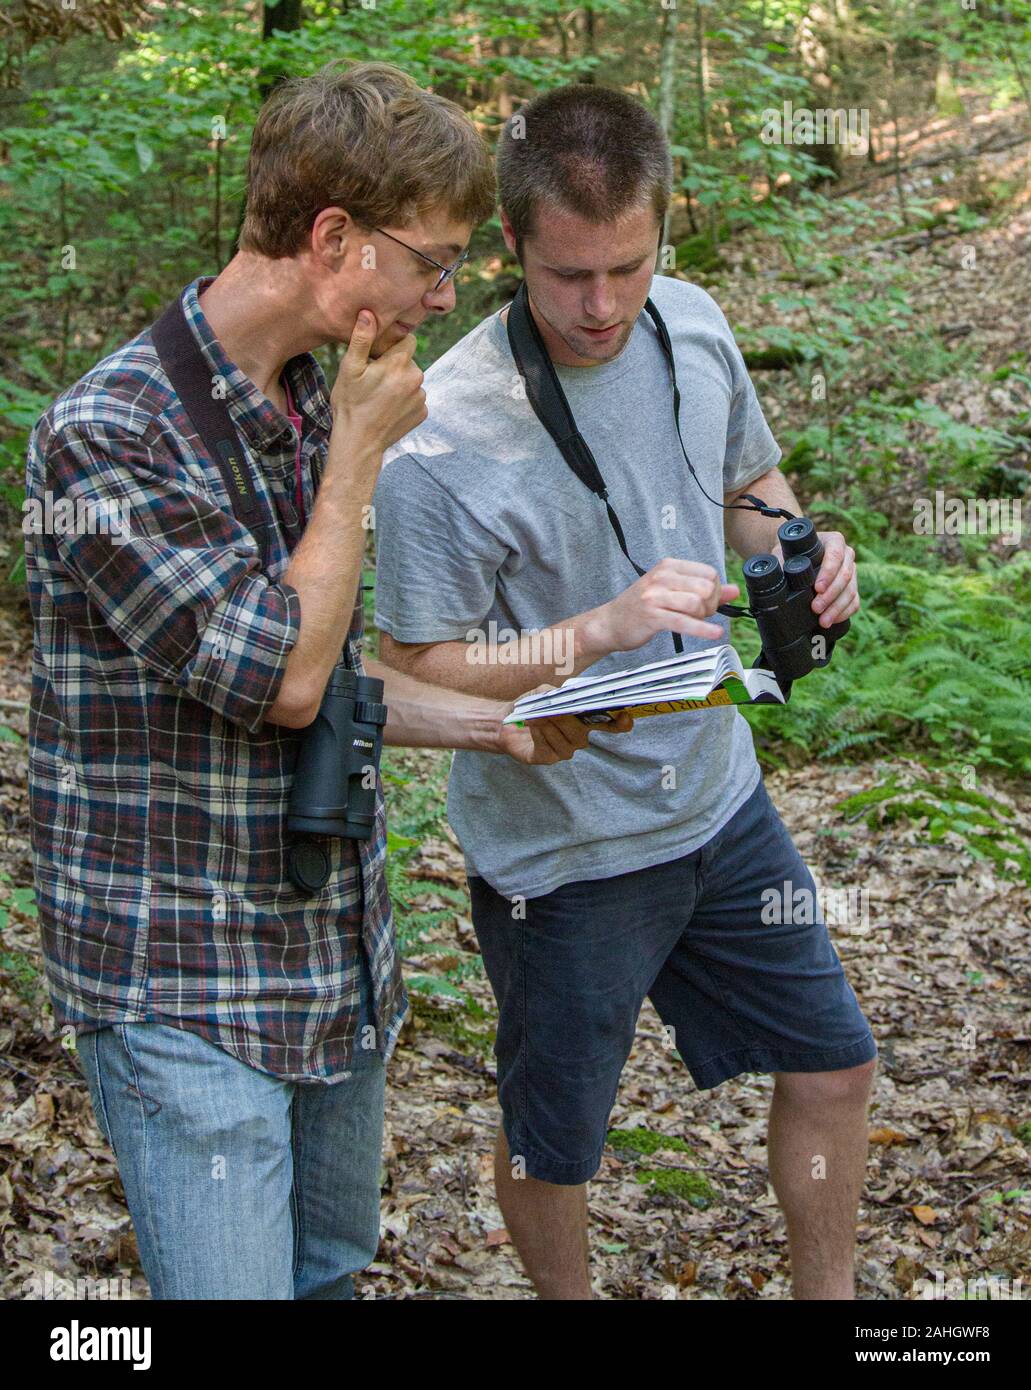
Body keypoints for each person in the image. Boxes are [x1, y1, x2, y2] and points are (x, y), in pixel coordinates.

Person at [23, 60, 626, 1301]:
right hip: (180, 981)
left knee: (330, 1277)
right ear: (334, 238)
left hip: (325, 958)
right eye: (433, 258)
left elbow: (338, 676)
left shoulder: (308, 398)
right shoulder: (110, 435)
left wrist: (501, 722)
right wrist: (356, 465)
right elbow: (283, 681)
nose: (444, 294)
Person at [374, 82, 876, 1301]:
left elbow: (746, 484)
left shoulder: (692, 325)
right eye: (566, 278)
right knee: (557, 1146)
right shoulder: (440, 438)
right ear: (510, 249)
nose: (600, 307)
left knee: (833, 1065)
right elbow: (412, 670)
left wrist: (802, 550)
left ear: (667, 232)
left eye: (627, 268)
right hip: (563, 853)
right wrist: (597, 629)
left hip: (718, 807)